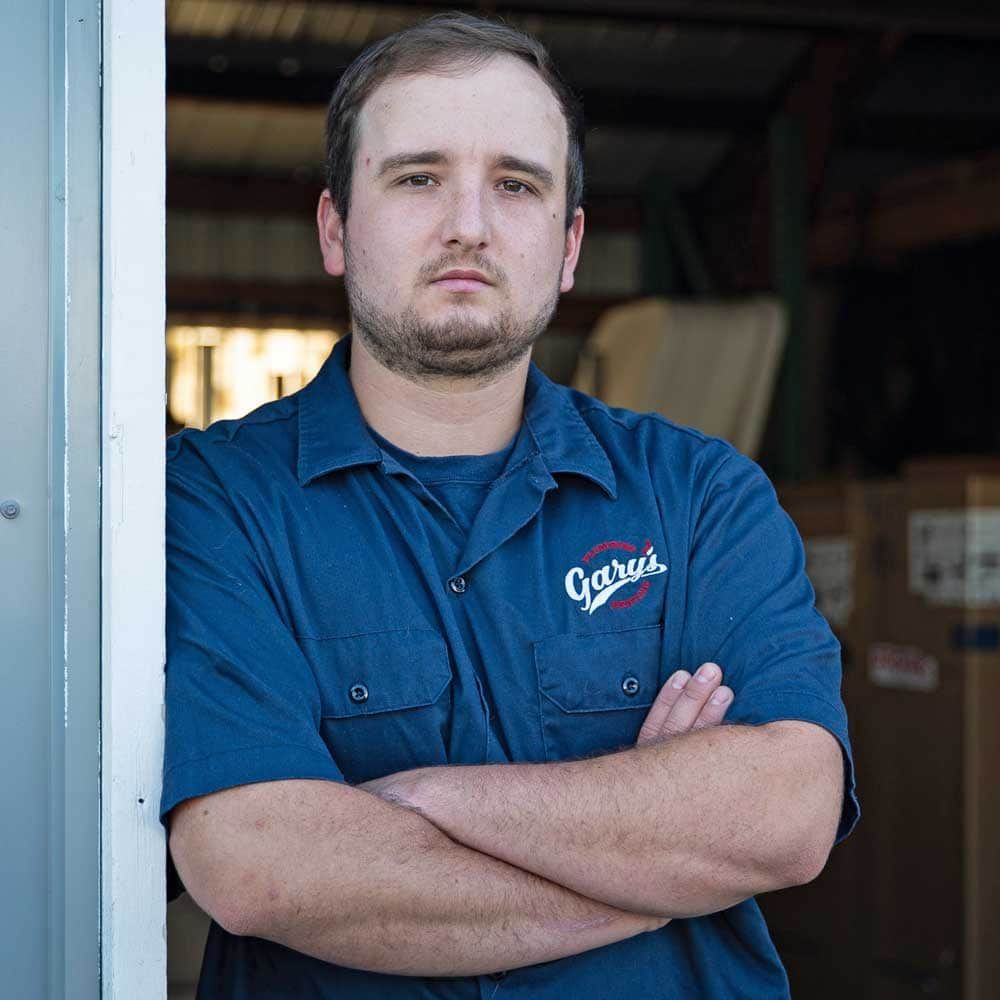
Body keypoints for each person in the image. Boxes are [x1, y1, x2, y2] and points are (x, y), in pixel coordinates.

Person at [161, 12, 858, 999]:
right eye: (416, 178)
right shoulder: (211, 501)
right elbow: (258, 864)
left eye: (516, 184)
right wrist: (659, 861)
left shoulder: (700, 496)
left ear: (569, 244)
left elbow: (784, 815)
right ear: (333, 227)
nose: (469, 224)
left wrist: (419, 799)